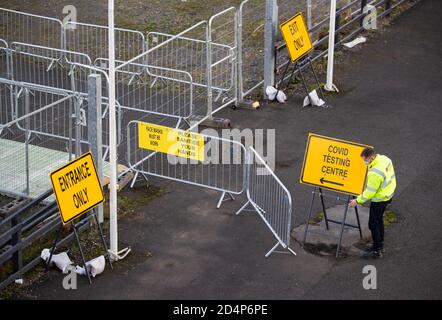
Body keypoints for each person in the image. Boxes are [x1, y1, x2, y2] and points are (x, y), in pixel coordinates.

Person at [349, 147, 396, 259]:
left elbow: (369, 193)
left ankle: (377, 251)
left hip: (379, 200)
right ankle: (380, 244)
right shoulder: (384, 159)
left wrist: (357, 201)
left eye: (365, 159)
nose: (364, 162)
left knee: (373, 224)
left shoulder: (375, 173)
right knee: (378, 220)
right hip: (388, 194)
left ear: (370, 157)